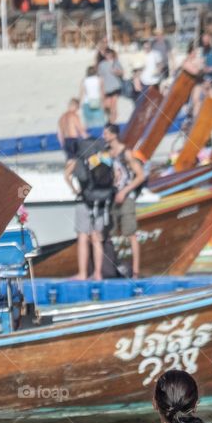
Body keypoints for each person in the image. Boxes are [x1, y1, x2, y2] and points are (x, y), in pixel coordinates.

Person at [65, 138, 113, 281]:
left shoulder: (78, 161)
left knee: (83, 238)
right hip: (101, 202)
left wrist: (75, 189)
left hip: (84, 202)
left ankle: (82, 273)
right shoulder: (104, 159)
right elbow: (116, 177)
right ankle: (98, 273)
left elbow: (66, 175)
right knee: (96, 237)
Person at [103, 122, 145, 278]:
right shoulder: (106, 153)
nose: (104, 136)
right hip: (112, 197)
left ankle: (135, 271)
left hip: (126, 197)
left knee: (130, 233)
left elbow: (140, 175)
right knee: (111, 233)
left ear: (114, 135)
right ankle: (114, 266)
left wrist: (125, 191)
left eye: (106, 133)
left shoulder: (125, 152)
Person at [98, 47, 124, 122]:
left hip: (116, 86)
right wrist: (101, 89)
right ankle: (109, 119)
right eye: (106, 54)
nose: (108, 55)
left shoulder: (116, 62)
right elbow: (101, 78)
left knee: (113, 105)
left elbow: (122, 72)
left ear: (112, 54)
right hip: (107, 87)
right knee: (106, 105)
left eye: (109, 54)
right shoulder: (102, 64)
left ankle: (112, 121)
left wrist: (116, 71)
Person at [57, 97, 87, 161]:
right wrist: (89, 138)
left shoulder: (61, 117)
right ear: (75, 106)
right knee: (78, 160)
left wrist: (63, 145)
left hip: (65, 141)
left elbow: (59, 134)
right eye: (77, 108)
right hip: (73, 141)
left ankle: (68, 170)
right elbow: (81, 131)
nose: (77, 110)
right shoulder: (74, 115)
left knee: (70, 160)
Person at [80, 64, 104, 128]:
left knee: (88, 120)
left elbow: (82, 93)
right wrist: (103, 102)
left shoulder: (84, 80)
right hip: (96, 99)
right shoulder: (99, 79)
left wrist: (80, 103)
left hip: (87, 101)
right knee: (99, 120)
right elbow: (101, 91)